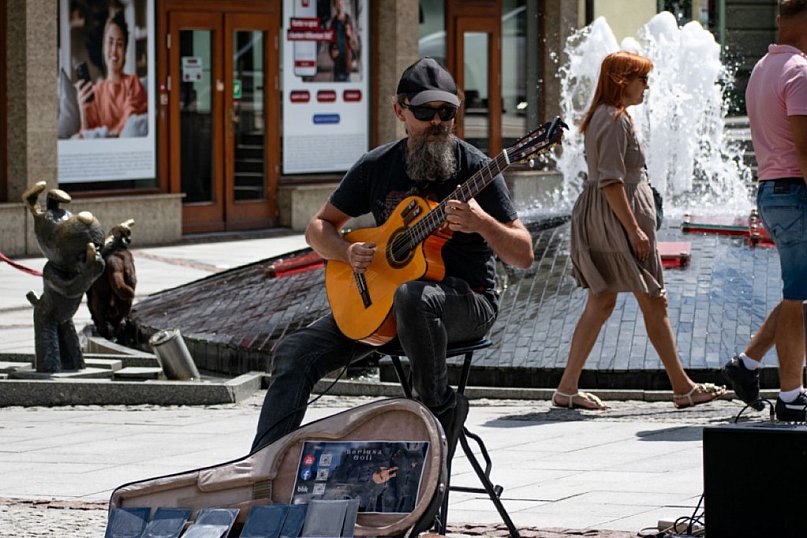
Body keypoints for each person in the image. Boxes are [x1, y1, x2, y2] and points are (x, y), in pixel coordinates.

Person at [251, 57, 534, 456]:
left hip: (465, 301)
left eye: (446, 112)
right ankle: (262, 469)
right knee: (295, 352)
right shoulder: (377, 166)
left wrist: (482, 223)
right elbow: (318, 227)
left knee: (414, 297)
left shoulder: (477, 169)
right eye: (424, 111)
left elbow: (523, 254)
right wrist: (347, 252)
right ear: (399, 110)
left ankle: (438, 406)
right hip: (385, 308)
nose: (437, 122)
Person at [553, 51, 726, 410]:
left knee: (602, 299)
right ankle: (683, 387)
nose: (647, 85)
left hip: (604, 216)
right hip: (617, 218)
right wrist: (634, 230)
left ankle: (567, 388)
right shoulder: (615, 119)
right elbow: (612, 182)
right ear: (622, 81)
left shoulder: (603, 116)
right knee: (653, 298)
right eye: (642, 78)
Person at [722, 0, 807, 421]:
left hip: (772, 191)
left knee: (800, 288)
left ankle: (748, 363)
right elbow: (805, 148)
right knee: (800, 298)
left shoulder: (763, 68)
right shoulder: (800, 72)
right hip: (797, 191)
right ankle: (791, 396)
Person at [75, 11, 147, 137]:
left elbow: (130, 121)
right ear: (104, 47)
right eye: (110, 42)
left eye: (119, 45)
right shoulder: (95, 92)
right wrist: (83, 111)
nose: (114, 50)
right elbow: (86, 137)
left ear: (125, 52)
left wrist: (108, 136)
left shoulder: (132, 83)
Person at [328, 0, 357, 82]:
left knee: (347, 90)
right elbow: (330, 43)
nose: (339, 5)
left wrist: (350, 35)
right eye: (337, 3)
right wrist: (331, 53)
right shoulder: (333, 22)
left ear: (343, 4)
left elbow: (355, 44)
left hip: (346, 62)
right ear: (335, 6)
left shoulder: (349, 20)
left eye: (341, 2)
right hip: (337, 64)